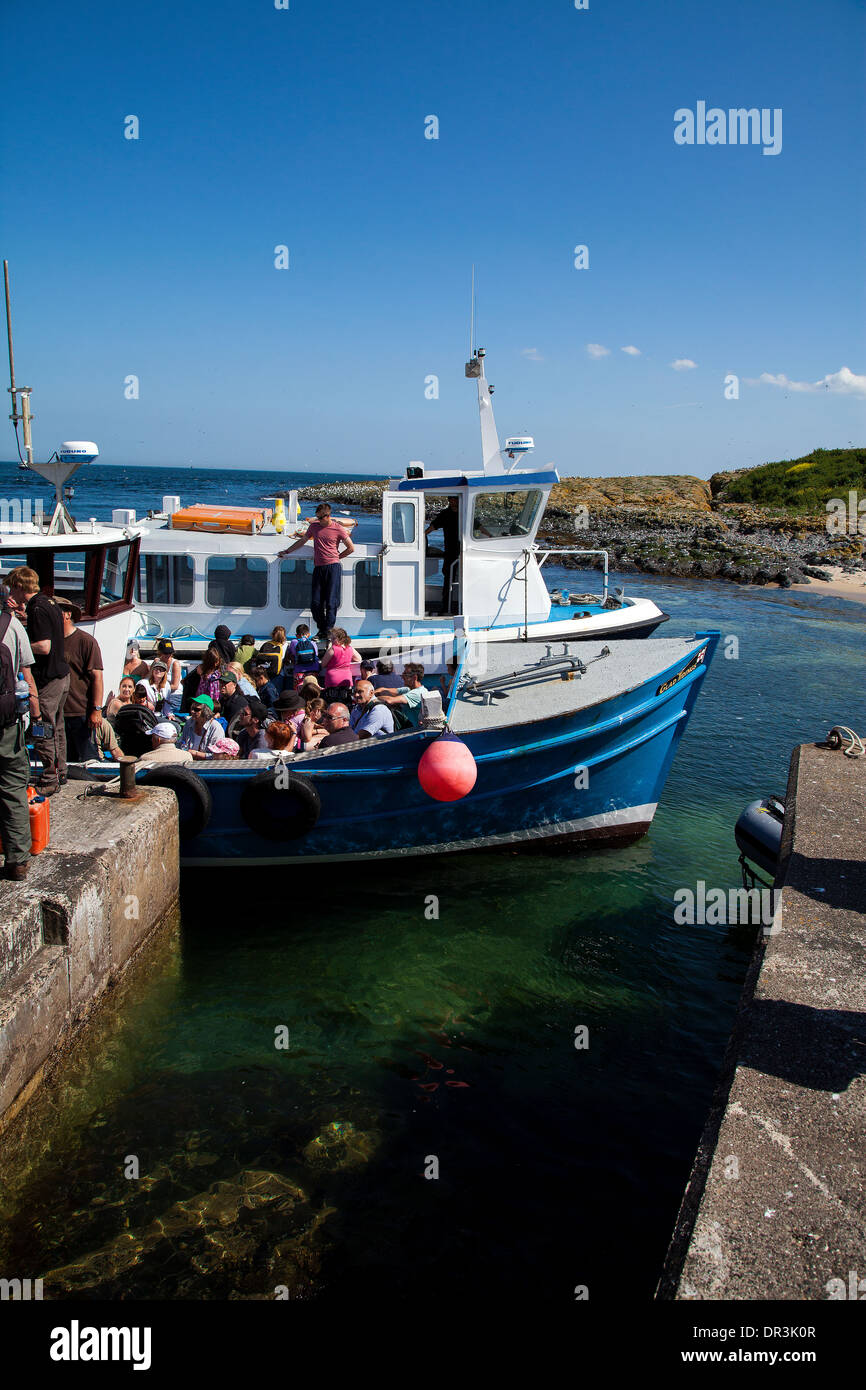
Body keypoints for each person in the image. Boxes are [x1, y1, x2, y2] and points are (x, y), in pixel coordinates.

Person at [7, 566, 70, 794]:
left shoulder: (38, 609)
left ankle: (48, 777)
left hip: (49, 677)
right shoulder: (49, 602)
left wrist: (18, 645)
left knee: (44, 726)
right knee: (59, 726)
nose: (10, 594)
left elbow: (44, 646)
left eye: (11, 588)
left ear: (19, 586)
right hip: (62, 674)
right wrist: (23, 615)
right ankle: (61, 772)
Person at [0, 594, 40, 880]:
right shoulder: (12, 626)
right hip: (5, 721)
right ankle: (17, 862)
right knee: (13, 787)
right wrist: (35, 712)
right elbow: (25, 672)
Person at [277, 502, 355, 639]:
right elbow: (302, 541)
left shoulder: (338, 529)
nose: (317, 520)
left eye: (320, 518)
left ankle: (328, 631)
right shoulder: (314, 527)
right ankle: (323, 629)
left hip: (333, 568)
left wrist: (338, 557)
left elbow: (351, 548)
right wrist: (287, 551)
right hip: (319, 567)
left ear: (327, 516)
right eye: (317, 517)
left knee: (331, 602)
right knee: (316, 603)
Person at [59, 600, 104, 762]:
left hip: (81, 712)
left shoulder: (86, 641)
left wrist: (96, 710)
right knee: (64, 760)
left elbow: (97, 677)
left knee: (88, 758)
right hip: (57, 712)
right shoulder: (51, 642)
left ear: (67, 614)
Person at [424, 495, 461, 614]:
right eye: (451, 499)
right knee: (447, 578)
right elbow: (433, 526)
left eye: (455, 498)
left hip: (463, 551)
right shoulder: (445, 514)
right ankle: (445, 606)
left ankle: (459, 606)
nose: (453, 501)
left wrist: (490, 536)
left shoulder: (464, 513)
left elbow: (478, 526)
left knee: (462, 579)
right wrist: (420, 536)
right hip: (450, 552)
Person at [375, 662, 426, 728]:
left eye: (405, 674)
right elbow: (384, 689)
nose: (402, 676)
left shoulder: (416, 693)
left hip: (413, 731)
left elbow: (390, 700)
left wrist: (371, 698)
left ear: (414, 678)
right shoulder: (409, 689)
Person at [178, 695, 221, 759]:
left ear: (206, 711)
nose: (192, 711)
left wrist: (196, 754)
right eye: (192, 708)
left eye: (196, 709)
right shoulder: (189, 723)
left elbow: (217, 755)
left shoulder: (215, 727)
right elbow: (180, 743)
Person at [320, 628, 362, 692]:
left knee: (333, 701)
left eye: (333, 639)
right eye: (331, 638)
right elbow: (359, 659)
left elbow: (323, 664)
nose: (331, 640)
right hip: (346, 679)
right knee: (346, 700)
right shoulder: (350, 648)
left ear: (341, 639)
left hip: (333, 679)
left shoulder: (332, 649)